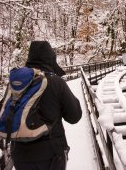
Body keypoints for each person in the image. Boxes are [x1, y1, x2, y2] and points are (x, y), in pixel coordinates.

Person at [11, 41, 82, 170]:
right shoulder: (56, 82)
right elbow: (74, 116)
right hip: (51, 155)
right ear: (50, 58)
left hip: (20, 156)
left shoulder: (17, 84)